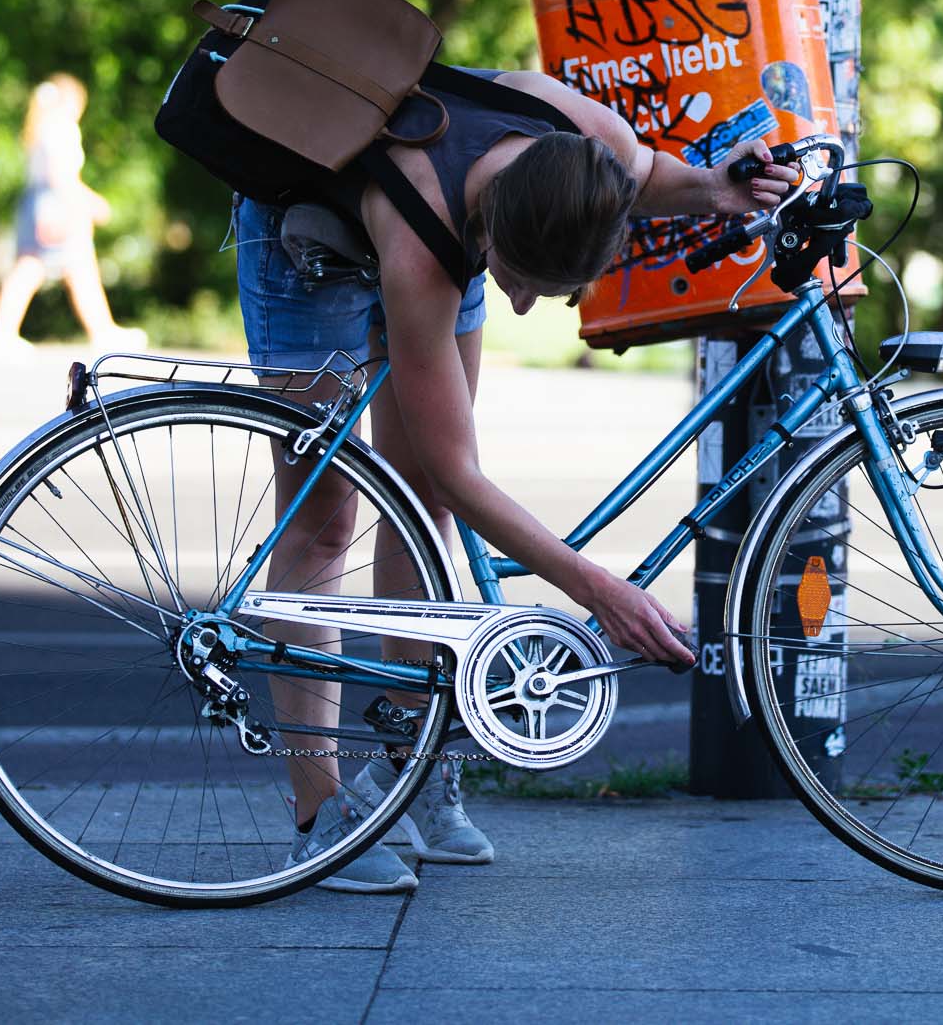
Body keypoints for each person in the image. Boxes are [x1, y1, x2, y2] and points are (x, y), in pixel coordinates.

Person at [235, 61, 790, 892]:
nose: (523, 307)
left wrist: (722, 187)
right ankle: (320, 816)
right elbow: (460, 472)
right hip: (305, 228)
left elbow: (646, 177)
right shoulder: (430, 244)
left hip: (454, 221)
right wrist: (596, 587)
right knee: (326, 517)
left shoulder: (592, 147)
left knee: (421, 507)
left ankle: (406, 765)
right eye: (520, 285)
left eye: (547, 292)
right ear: (493, 238)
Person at [0, 74, 144, 353]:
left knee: (75, 269)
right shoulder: (61, 128)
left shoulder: (44, 126)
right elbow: (62, 176)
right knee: (37, 267)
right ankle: (1, 333)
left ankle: (102, 330)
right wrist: (90, 203)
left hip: (44, 201)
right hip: (56, 203)